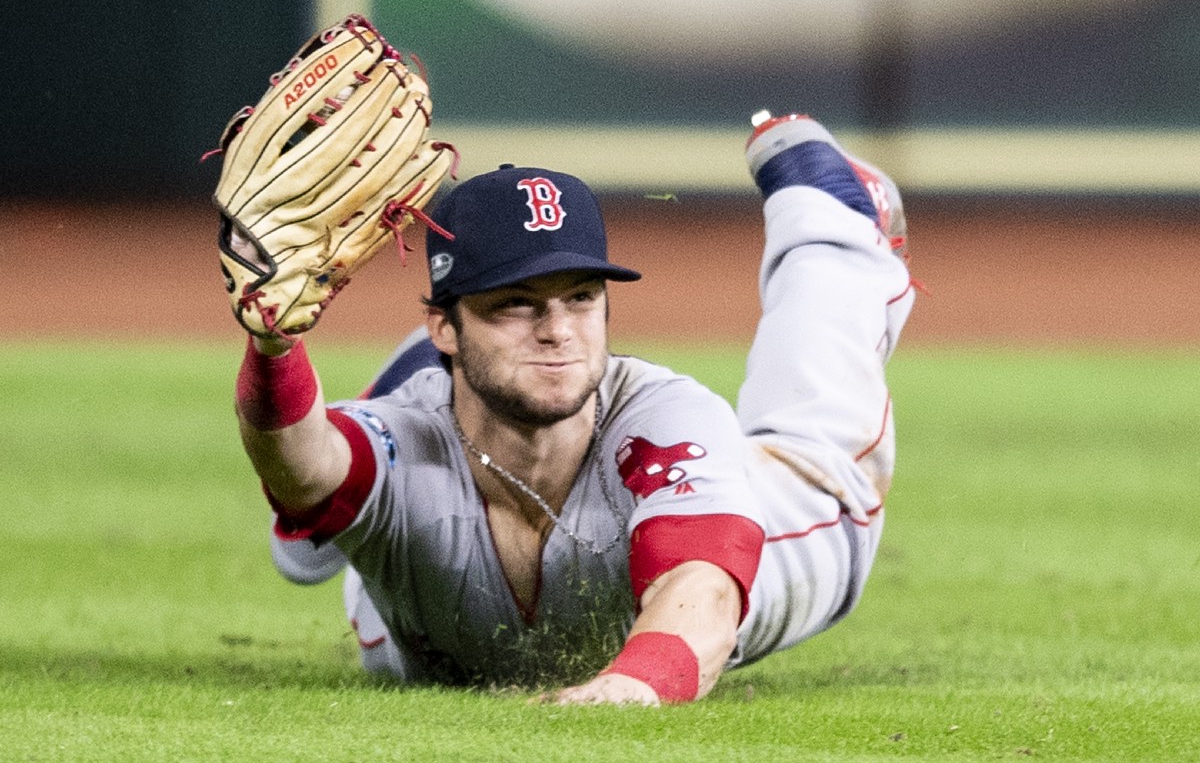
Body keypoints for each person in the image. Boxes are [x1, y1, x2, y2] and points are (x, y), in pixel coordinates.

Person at [236, 112, 917, 705]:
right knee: (322, 496)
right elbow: (306, 466)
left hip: (765, 548)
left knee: (820, 441)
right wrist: (274, 349)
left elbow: (704, 591)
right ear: (444, 324)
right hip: (409, 591)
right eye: (516, 303)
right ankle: (372, 462)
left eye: (582, 297)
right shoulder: (406, 441)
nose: (558, 329)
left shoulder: (664, 419)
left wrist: (634, 685)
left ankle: (834, 224)